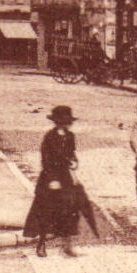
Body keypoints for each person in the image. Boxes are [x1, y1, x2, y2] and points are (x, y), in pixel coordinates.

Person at [24, 105, 81, 257]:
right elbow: (46, 160)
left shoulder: (70, 136)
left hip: (65, 176)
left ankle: (67, 245)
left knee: (69, 210)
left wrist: (75, 163)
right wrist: (52, 180)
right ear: (56, 122)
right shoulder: (50, 137)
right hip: (50, 177)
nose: (64, 124)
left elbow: (72, 155)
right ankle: (41, 244)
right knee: (46, 211)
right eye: (61, 121)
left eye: (66, 121)